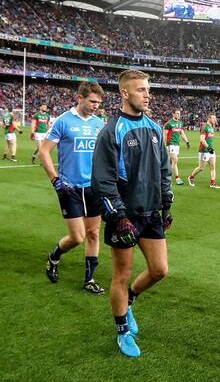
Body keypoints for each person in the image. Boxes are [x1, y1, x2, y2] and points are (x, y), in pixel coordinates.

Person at [91, 69, 173, 358]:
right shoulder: (112, 131)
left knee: (160, 269)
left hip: (150, 212)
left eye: (148, 90)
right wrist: (117, 215)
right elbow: (102, 180)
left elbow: (163, 169)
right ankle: (122, 330)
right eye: (140, 90)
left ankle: (130, 301)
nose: (147, 95)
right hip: (124, 216)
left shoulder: (154, 127)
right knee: (121, 275)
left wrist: (166, 203)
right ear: (124, 93)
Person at [38, 83, 106, 294]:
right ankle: (54, 256)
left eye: (98, 102)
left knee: (94, 233)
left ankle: (89, 280)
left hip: (93, 187)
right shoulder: (63, 121)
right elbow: (44, 152)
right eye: (92, 101)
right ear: (80, 98)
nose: (96, 106)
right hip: (69, 187)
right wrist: (55, 179)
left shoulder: (99, 123)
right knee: (77, 237)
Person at [187, 114, 220, 188]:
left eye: (215, 118)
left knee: (213, 166)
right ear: (209, 118)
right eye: (213, 118)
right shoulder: (205, 127)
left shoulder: (212, 127)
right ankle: (191, 177)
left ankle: (212, 183)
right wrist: (208, 148)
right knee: (201, 168)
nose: (215, 120)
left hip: (210, 149)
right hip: (204, 150)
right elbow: (202, 139)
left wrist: (210, 149)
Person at [164, 109, 190, 185]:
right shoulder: (169, 123)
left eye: (179, 113)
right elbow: (165, 134)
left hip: (176, 144)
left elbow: (182, 133)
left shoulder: (180, 123)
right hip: (170, 143)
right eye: (177, 113)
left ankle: (163, 174)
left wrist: (187, 142)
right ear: (173, 114)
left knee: (170, 162)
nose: (178, 115)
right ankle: (177, 178)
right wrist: (165, 144)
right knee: (175, 160)